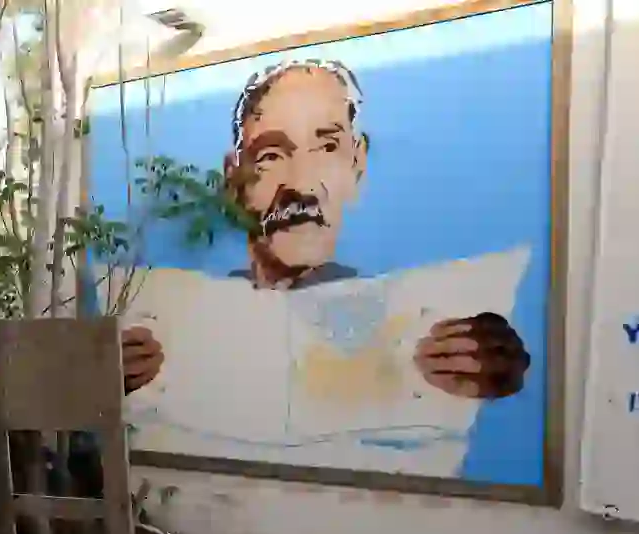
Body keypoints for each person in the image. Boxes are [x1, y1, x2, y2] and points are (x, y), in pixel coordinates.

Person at [123, 58, 530, 400]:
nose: (300, 184)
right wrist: (108, 375)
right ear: (234, 181)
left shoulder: (403, 318)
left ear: (357, 163)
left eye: (327, 147)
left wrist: (484, 366)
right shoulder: (198, 320)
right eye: (270, 155)